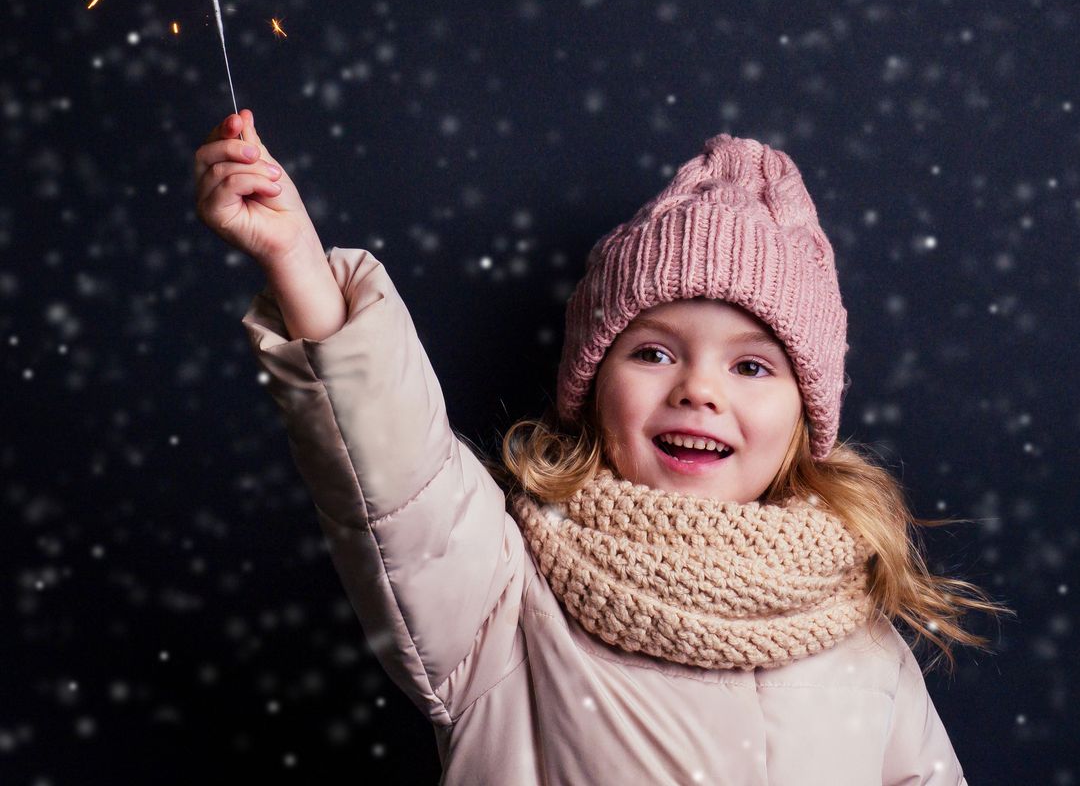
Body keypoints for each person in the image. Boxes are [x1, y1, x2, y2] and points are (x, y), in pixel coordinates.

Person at [194, 108, 1012, 784]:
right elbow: (391, 478)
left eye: (753, 365)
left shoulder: (856, 631)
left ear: (805, 416)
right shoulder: (502, 596)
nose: (699, 389)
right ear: (591, 385)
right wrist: (301, 265)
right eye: (653, 352)